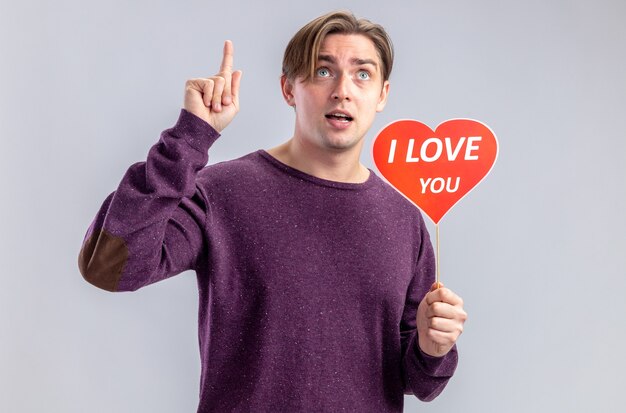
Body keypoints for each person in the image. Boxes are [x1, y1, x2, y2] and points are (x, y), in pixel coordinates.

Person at [78, 10, 467, 412]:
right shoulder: (222, 192)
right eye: (322, 71)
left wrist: (432, 347)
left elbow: (417, 382)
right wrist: (188, 139)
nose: (343, 90)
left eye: (362, 74)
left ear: (382, 95)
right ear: (288, 88)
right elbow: (108, 267)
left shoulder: (403, 220)